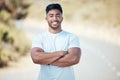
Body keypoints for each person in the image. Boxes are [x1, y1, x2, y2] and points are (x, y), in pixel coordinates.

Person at [31, 3, 81, 80]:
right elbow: (36, 58)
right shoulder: (39, 37)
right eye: (51, 16)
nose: (55, 18)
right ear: (46, 18)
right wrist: (60, 53)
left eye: (58, 15)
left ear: (62, 18)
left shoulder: (71, 37)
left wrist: (45, 60)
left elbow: (74, 58)